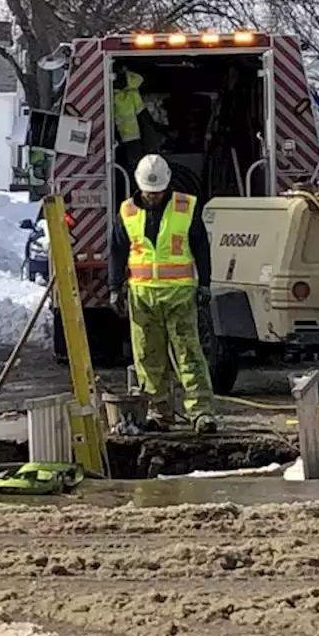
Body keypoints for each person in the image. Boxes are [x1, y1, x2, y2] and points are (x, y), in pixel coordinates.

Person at [108, 154, 216, 433]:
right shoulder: (127, 212)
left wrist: (205, 283)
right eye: (148, 192)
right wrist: (114, 286)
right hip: (142, 296)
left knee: (189, 354)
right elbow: (118, 252)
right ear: (139, 187)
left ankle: (201, 413)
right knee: (148, 357)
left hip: (179, 294)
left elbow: (201, 247)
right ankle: (159, 412)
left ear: (166, 186)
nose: (153, 197)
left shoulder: (185, 208)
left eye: (157, 193)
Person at [112, 66, 148, 169]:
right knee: (135, 164)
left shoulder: (115, 97)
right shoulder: (132, 93)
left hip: (125, 136)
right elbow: (143, 117)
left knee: (132, 164)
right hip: (134, 136)